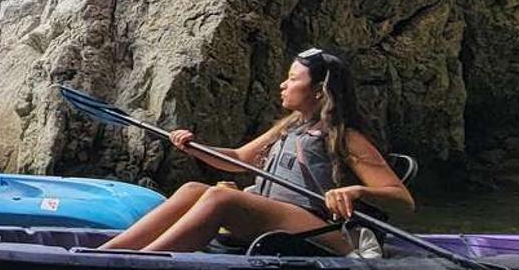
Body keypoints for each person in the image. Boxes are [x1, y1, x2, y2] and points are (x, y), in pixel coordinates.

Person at [99, 48, 413, 254]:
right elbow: (235, 160)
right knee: (194, 189)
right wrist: (194, 146)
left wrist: (355, 191)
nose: (283, 85)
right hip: (278, 220)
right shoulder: (290, 126)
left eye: (292, 79)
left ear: (320, 91)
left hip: (327, 233)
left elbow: (402, 201)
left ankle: (145, 262)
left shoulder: (346, 138)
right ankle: (110, 254)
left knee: (221, 197)